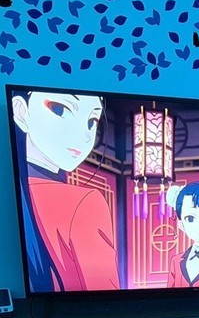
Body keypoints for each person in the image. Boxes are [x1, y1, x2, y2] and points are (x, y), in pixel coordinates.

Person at [10, 90, 119, 292]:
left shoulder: (14, 196)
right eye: (60, 109)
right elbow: (107, 295)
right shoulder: (85, 202)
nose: (83, 135)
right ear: (21, 111)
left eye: (91, 122)